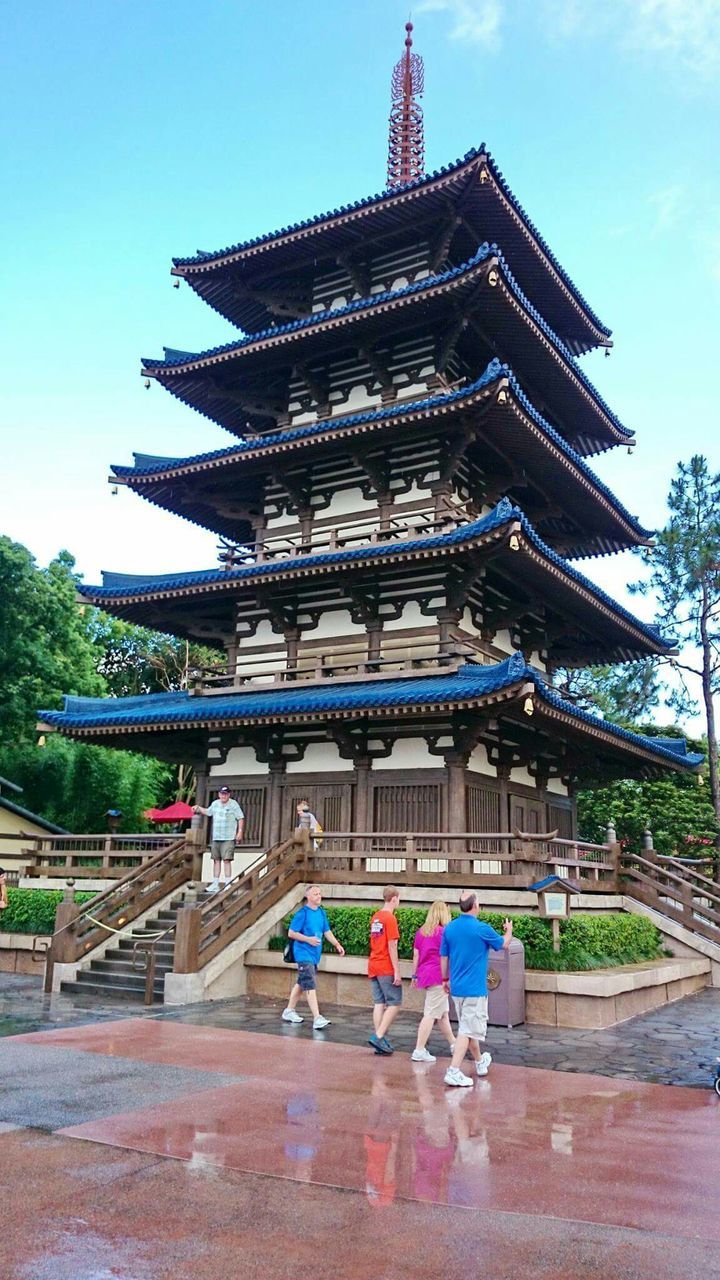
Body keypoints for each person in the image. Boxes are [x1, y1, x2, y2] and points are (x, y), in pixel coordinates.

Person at [440, 892, 512, 1087]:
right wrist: (508, 931)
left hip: (457, 989)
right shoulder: (482, 928)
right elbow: (504, 944)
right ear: (475, 905)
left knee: (467, 1027)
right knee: (466, 1030)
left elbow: (444, 957)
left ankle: (480, 1062)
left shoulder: (450, 929)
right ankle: (453, 1070)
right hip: (475, 990)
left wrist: (445, 979)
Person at [281, 884, 345, 1030]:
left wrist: (337, 945)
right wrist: (308, 939)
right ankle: (317, 1017)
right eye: (315, 894)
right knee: (309, 982)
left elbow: (326, 931)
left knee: (302, 982)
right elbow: (291, 933)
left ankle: (289, 1011)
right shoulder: (302, 913)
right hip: (303, 953)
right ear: (308, 897)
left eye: (319, 893)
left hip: (314, 955)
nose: (319, 896)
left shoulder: (321, 913)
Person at [410, 899, 456, 1063]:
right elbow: (450, 955)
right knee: (430, 1014)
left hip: (425, 975)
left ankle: (454, 1045)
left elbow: (416, 955)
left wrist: (414, 975)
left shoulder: (421, 931)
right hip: (439, 976)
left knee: (442, 1014)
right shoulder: (445, 932)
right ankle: (419, 1049)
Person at [368, 885, 402, 1055]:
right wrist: (396, 969)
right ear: (394, 899)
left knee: (379, 1003)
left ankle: (379, 1039)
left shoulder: (376, 917)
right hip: (385, 965)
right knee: (394, 1002)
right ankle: (378, 1036)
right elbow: (392, 944)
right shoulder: (390, 919)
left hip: (374, 963)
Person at [192, 785, 245, 892]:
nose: (223, 795)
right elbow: (208, 812)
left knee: (226, 860)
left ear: (229, 794)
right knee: (216, 860)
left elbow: (240, 818)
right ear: (219, 794)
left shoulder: (233, 804)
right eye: (222, 793)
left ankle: (228, 883)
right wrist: (198, 808)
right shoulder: (215, 804)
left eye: (225, 794)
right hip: (216, 837)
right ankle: (215, 883)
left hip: (228, 837)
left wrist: (239, 832)